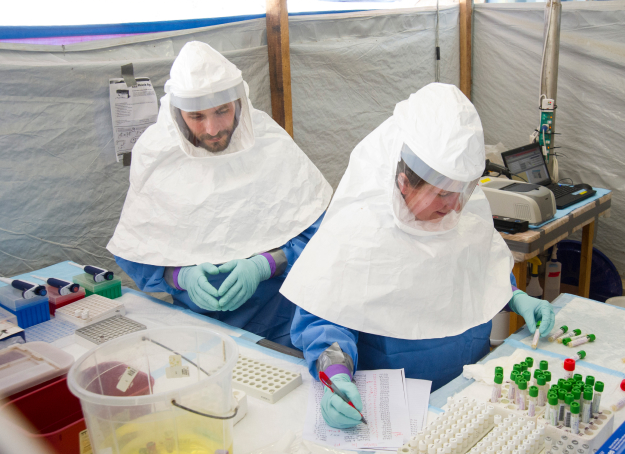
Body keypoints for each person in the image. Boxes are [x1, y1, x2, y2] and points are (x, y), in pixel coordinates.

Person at [280, 83, 556, 428]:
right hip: (391, 411)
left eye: (462, 192)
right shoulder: (361, 229)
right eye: (441, 193)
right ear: (403, 180)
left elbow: (476, 275)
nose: (454, 205)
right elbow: (325, 318)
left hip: (467, 394)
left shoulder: (462, 214)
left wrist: (513, 296)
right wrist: (335, 375)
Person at [107, 41, 332, 347]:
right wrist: (179, 276)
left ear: (239, 101)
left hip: (281, 320)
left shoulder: (270, 145)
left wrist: (267, 263)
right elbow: (138, 248)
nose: (213, 129)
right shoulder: (158, 153)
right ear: (176, 112)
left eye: (222, 111)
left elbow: (322, 234)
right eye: (197, 117)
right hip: (197, 326)